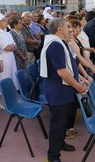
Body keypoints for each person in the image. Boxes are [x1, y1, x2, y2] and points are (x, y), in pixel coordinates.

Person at [40, 18, 89, 162]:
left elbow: (70, 65)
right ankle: (53, 155)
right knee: (58, 123)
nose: (71, 29)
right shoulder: (55, 45)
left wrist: (80, 78)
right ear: (59, 29)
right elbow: (62, 72)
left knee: (64, 120)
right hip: (58, 91)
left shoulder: (61, 43)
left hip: (64, 89)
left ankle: (60, 144)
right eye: (68, 27)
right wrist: (78, 86)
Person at [0, 14, 19, 109]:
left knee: (11, 77)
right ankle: (2, 102)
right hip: (3, 59)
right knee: (4, 78)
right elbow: (7, 47)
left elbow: (14, 46)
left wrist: (10, 47)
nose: (6, 21)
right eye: (3, 20)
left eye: (5, 20)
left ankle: (9, 100)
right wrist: (10, 47)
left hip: (10, 59)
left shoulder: (8, 33)